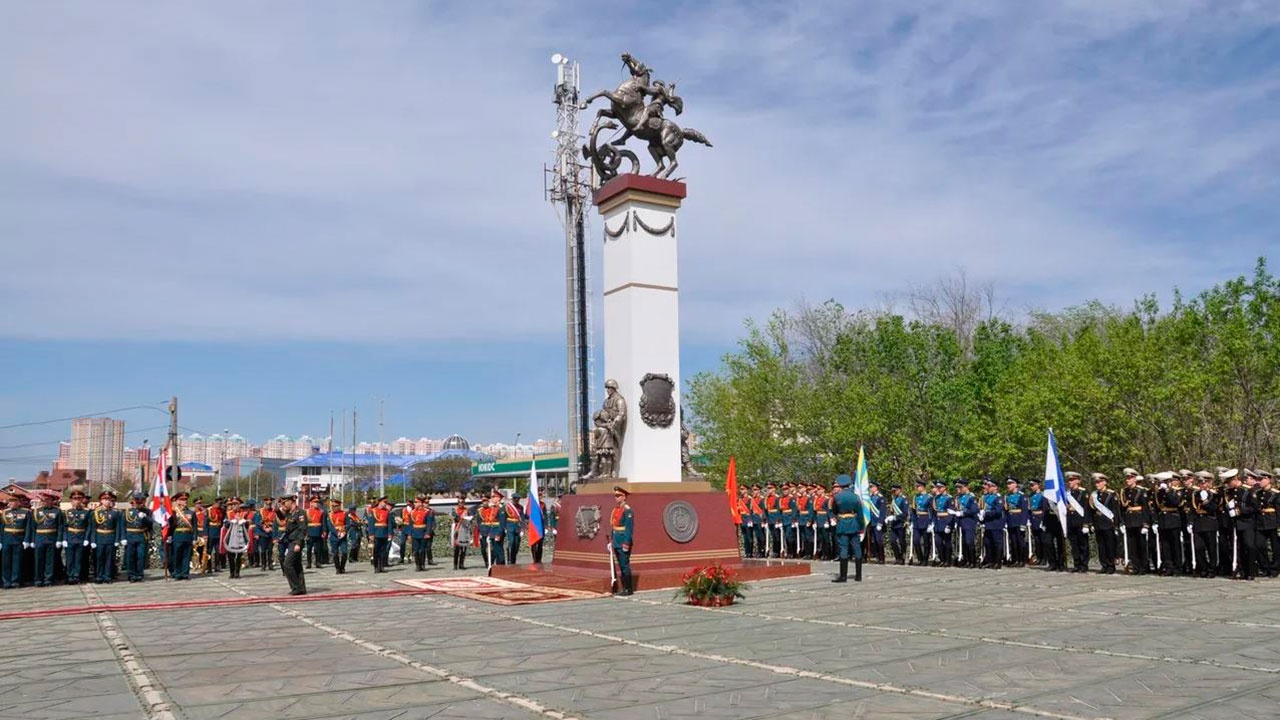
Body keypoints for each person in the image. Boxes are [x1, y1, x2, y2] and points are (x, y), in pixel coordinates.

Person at [830, 474, 865, 583]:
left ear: (840, 485)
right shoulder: (856, 497)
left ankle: (843, 576)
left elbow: (834, 510)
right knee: (857, 548)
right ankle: (858, 576)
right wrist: (861, 527)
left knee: (843, 548)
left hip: (843, 524)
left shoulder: (837, 497)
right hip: (854, 524)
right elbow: (860, 513)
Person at [89, 491, 124, 584]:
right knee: (99, 558)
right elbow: (92, 527)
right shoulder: (95, 512)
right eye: (105, 499)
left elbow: (118, 527)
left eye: (109, 499)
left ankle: (107, 576)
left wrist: (117, 540)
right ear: (101, 501)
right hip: (99, 538)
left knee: (109, 558)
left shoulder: (115, 513)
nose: (107, 501)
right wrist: (92, 540)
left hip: (110, 538)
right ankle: (99, 576)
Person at [1119, 470, 1150, 574]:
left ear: (1135, 479)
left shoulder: (1141, 491)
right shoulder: (1124, 491)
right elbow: (1122, 509)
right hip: (1129, 520)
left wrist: (1145, 524)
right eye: (1127, 478)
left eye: (1130, 478)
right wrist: (1122, 522)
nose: (1128, 480)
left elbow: (1146, 508)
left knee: (1141, 545)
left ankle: (1143, 567)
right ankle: (1135, 566)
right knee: (1132, 545)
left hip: (1139, 519)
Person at [32, 492, 65, 587]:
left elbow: (60, 526)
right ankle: (38, 579)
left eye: (47, 500)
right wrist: (33, 540)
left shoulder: (57, 511)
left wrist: (59, 539)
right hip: (39, 538)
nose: (44, 501)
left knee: (50, 560)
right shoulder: (36, 511)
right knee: (39, 560)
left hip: (52, 538)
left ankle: (48, 579)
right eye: (43, 500)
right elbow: (33, 527)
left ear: (52, 501)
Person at [1, 494, 34, 589]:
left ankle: (15, 581)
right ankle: (6, 581)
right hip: (7, 538)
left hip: (19, 538)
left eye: (13, 501)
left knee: (17, 561)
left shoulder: (26, 512)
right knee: (6, 561)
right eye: (10, 501)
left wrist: (27, 540)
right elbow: (1, 528)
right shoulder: (4, 513)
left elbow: (28, 527)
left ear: (18, 502)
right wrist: (0, 541)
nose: (11, 503)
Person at [1089, 474, 1120, 574]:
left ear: (1105, 482)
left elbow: (1115, 510)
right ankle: (1104, 565)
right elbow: (1092, 510)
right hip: (1098, 523)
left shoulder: (1111, 494)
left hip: (1108, 523)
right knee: (1101, 546)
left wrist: (1116, 524)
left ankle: (1111, 565)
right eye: (1096, 482)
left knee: (1110, 545)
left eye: (1099, 482)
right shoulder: (1094, 495)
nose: (1097, 484)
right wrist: (1092, 523)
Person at [278, 495, 307, 595]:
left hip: (296, 541)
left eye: (284, 502)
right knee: (296, 565)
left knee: (287, 564)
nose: (283, 505)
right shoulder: (289, 513)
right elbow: (282, 518)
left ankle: (296, 587)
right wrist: (278, 509)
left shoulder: (300, 513)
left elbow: (303, 529)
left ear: (291, 501)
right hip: (290, 541)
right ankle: (301, 588)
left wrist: (299, 543)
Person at [1064, 472, 1092, 573]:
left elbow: (1087, 510)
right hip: (1071, 521)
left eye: (1072, 480)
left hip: (1080, 522)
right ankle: (1077, 564)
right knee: (1074, 545)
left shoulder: (1084, 493)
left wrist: (1086, 524)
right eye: (1069, 480)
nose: (1070, 482)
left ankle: (1084, 565)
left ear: (1078, 481)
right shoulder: (1067, 493)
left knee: (1083, 545)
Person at [122, 492, 153, 583]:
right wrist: (123, 537)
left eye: (141, 502)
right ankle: (131, 575)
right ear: (134, 502)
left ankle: (139, 575)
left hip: (141, 536)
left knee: (140, 556)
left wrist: (145, 518)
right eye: (138, 502)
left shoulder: (147, 512)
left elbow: (151, 523)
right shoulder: (127, 512)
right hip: (130, 536)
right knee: (130, 556)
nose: (139, 504)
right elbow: (123, 525)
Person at [610, 486, 634, 595]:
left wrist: (626, 543)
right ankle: (624, 588)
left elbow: (629, 529)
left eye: (618, 495)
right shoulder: (616, 509)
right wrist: (611, 540)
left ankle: (628, 589)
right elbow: (614, 526)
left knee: (625, 565)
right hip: (616, 540)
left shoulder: (627, 510)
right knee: (620, 565)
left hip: (623, 541)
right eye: (615, 495)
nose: (616, 497)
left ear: (624, 497)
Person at [166, 492, 197, 580]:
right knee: (177, 555)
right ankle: (177, 573)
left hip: (188, 536)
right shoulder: (174, 512)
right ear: (178, 501)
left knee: (187, 556)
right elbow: (170, 525)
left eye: (186, 500)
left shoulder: (191, 512)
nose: (185, 501)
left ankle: (185, 573)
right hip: (177, 535)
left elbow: (194, 526)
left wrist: (194, 538)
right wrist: (169, 536)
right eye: (182, 500)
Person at [220, 498, 252, 579]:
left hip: (240, 537)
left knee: (239, 556)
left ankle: (237, 572)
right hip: (230, 537)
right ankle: (232, 572)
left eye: (236, 504)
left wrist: (245, 522)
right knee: (230, 555)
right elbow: (225, 525)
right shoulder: (228, 513)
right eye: (233, 505)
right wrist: (231, 522)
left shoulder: (243, 513)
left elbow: (247, 525)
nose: (234, 506)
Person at [64, 490, 90, 584]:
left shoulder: (87, 512)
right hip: (70, 537)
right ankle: (69, 576)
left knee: (79, 559)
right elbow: (64, 527)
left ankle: (76, 576)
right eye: (75, 499)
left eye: (79, 498)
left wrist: (86, 539)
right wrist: (64, 539)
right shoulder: (67, 512)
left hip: (81, 537)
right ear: (71, 500)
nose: (77, 501)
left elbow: (89, 527)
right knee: (69, 559)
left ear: (82, 499)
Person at [979, 478, 1005, 569]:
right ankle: (990, 561)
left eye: (989, 486)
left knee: (997, 543)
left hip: (996, 524)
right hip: (988, 524)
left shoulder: (998, 498)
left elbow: (998, 511)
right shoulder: (987, 497)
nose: (987, 487)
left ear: (995, 487)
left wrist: (986, 514)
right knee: (988, 543)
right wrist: (981, 517)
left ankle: (997, 562)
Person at [954, 481, 979, 568]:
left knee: (969, 542)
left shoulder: (971, 497)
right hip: (961, 522)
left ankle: (973, 561)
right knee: (964, 542)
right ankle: (967, 560)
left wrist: (963, 513)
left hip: (969, 522)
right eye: (958, 488)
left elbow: (974, 510)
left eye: (960, 488)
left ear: (966, 487)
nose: (959, 490)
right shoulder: (958, 497)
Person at [1004, 479, 1028, 567]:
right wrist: (1006, 521)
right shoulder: (1007, 496)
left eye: (1010, 484)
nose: (1008, 486)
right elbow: (1006, 510)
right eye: (1008, 484)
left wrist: (1023, 523)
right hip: (1011, 521)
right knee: (1013, 541)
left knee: (1020, 541)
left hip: (1019, 520)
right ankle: (1015, 559)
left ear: (1016, 484)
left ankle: (1022, 560)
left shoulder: (1022, 496)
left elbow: (1025, 511)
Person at [323, 497, 350, 574]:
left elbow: (348, 524)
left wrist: (344, 530)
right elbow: (330, 526)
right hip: (334, 536)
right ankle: (337, 568)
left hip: (343, 535)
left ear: (339, 506)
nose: (334, 508)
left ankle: (342, 567)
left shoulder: (344, 513)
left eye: (335, 506)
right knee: (335, 553)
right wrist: (336, 532)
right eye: (333, 506)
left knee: (344, 552)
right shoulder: (330, 515)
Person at [931, 481, 954, 566]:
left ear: (945, 488)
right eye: (937, 487)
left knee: (947, 542)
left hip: (945, 521)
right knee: (938, 542)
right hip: (938, 522)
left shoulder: (949, 498)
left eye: (940, 487)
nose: (938, 489)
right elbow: (934, 512)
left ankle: (948, 560)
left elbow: (951, 512)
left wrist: (949, 524)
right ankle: (942, 559)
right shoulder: (936, 498)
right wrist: (932, 523)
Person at [368, 497, 392, 573]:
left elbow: (389, 524)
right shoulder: (373, 511)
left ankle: (381, 566)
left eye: (386, 502)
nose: (385, 504)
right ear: (380, 502)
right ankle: (376, 566)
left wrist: (390, 534)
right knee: (376, 551)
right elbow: (371, 524)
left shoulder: (387, 511)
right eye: (384, 502)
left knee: (383, 551)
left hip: (384, 533)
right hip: (376, 533)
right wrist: (371, 534)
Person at [910, 479, 931, 565]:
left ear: (923, 487)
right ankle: (920, 558)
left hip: (925, 520)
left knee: (926, 542)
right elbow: (913, 511)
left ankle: (925, 559)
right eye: (916, 486)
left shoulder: (929, 497)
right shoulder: (916, 497)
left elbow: (931, 511)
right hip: (917, 521)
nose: (917, 488)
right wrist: (912, 521)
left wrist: (930, 523)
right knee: (916, 541)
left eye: (918, 486)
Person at [886, 485, 908, 565]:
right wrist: (890, 516)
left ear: (900, 490)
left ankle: (902, 558)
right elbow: (892, 511)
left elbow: (905, 513)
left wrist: (895, 517)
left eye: (895, 491)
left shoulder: (903, 499)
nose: (894, 492)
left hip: (901, 523)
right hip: (894, 524)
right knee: (892, 541)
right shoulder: (894, 499)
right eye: (893, 491)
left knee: (902, 541)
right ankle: (897, 557)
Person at [451, 496, 474, 570]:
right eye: (460, 502)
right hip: (457, 529)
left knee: (463, 547)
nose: (461, 504)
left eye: (463, 502)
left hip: (464, 529)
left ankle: (461, 564)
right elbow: (454, 518)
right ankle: (455, 564)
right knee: (457, 548)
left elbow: (471, 518)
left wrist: (468, 518)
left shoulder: (467, 510)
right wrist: (459, 517)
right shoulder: (454, 510)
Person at [304, 496, 326, 569]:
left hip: (318, 531)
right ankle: (308, 563)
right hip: (310, 532)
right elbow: (304, 523)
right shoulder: (307, 511)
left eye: (317, 502)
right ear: (311, 503)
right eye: (315, 502)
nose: (316, 504)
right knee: (309, 548)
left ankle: (318, 562)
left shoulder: (321, 512)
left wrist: (324, 531)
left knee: (318, 548)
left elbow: (323, 523)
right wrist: (305, 532)